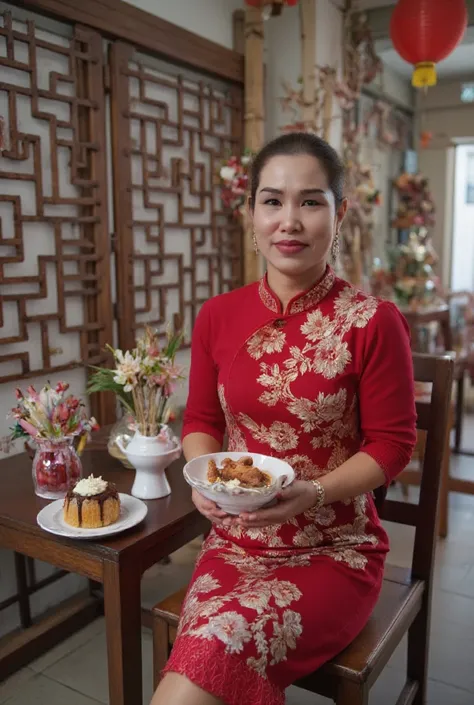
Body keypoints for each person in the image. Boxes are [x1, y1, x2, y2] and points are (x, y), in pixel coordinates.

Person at [150, 132, 417, 705]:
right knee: (204, 660)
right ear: (251, 214)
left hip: (335, 546)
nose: (288, 221)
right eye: (272, 201)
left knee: (201, 666)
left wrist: (314, 493)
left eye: (310, 202)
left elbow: (393, 446)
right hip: (236, 540)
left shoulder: (373, 321)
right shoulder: (218, 315)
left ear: (339, 212)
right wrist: (204, 480)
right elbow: (199, 419)